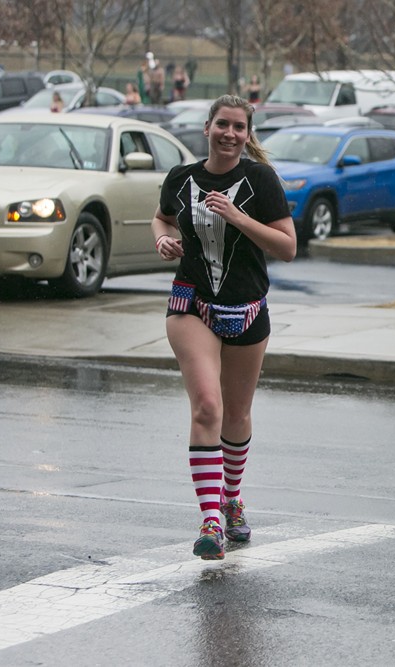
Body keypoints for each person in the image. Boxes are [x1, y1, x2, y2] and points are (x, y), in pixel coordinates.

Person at [151, 95, 297, 560]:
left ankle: (232, 499)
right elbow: (162, 216)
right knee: (207, 407)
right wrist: (162, 237)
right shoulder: (181, 178)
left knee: (236, 413)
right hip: (191, 301)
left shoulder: (260, 180)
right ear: (207, 127)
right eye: (222, 125)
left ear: (248, 134)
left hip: (248, 307)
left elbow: (288, 247)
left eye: (239, 127)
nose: (230, 134)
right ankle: (210, 518)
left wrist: (238, 217)